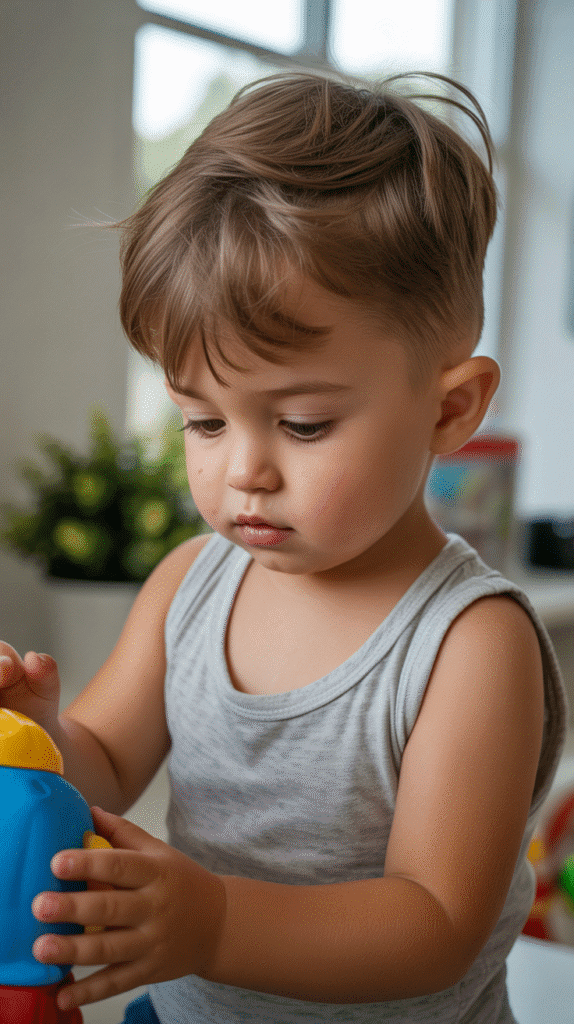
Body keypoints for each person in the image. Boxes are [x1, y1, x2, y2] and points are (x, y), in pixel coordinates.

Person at [0, 70, 567, 1024]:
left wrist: (216, 924)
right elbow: (105, 765)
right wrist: (40, 736)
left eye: (303, 424)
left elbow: (435, 924)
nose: (244, 471)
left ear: (450, 409)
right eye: (204, 421)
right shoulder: (190, 583)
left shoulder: (468, 645)